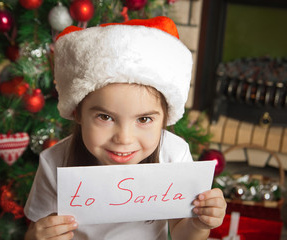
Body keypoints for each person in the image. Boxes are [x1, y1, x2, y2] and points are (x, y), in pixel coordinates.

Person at [24, 16, 226, 240]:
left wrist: (198, 223)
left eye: (144, 120)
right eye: (105, 117)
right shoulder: (54, 162)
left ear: (165, 118)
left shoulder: (174, 154)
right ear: (77, 112)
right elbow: (38, 229)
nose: (124, 138)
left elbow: (182, 234)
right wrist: (36, 237)